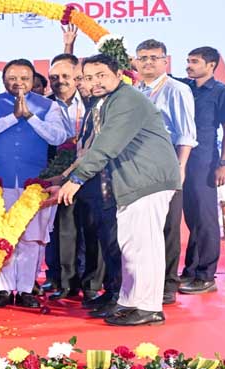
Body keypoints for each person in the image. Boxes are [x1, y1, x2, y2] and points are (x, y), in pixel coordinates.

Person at [58, 54, 181, 326]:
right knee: (131, 246)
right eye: (89, 78)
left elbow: (107, 145)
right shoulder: (110, 100)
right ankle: (129, 302)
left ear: (118, 74)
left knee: (143, 247)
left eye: (101, 75)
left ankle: (148, 307)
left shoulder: (126, 100)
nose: (95, 82)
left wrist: (77, 179)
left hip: (147, 181)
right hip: (132, 182)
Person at [0, 58, 67, 308]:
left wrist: (30, 117)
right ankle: (2, 289)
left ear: (33, 80)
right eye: (12, 78)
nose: (18, 83)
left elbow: (58, 137)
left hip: (34, 185)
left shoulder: (48, 106)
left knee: (31, 238)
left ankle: (26, 289)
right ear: (3, 80)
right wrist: (13, 118)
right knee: (0, 235)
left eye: (24, 78)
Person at [134, 39, 198, 304]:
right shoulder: (134, 90)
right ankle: (145, 282)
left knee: (168, 225)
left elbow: (186, 133)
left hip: (167, 161)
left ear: (165, 61)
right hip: (137, 164)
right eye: (143, 58)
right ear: (135, 62)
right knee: (143, 226)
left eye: (153, 57)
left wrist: (180, 167)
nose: (148, 62)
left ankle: (167, 284)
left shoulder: (176, 89)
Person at [179, 46, 225, 294]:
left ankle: (206, 276)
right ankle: (191, 270)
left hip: (206, 161)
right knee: (192, 217)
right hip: (182, 159)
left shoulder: (223, 93)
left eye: (194, 61)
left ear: (211, 65)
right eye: (188, 60)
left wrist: (223, 163)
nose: (189, 65)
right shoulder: (184, 87)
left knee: (206, 219)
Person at [45, 54, 98, 301]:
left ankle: (91, 282)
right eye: (54, 77)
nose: (60, 81)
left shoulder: (93, 101)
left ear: (77, 78)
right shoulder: (43, 104)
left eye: (65, 76)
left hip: (92, 171)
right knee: (61, 229)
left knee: (91, 227)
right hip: (56, 173)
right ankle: (63, 280)